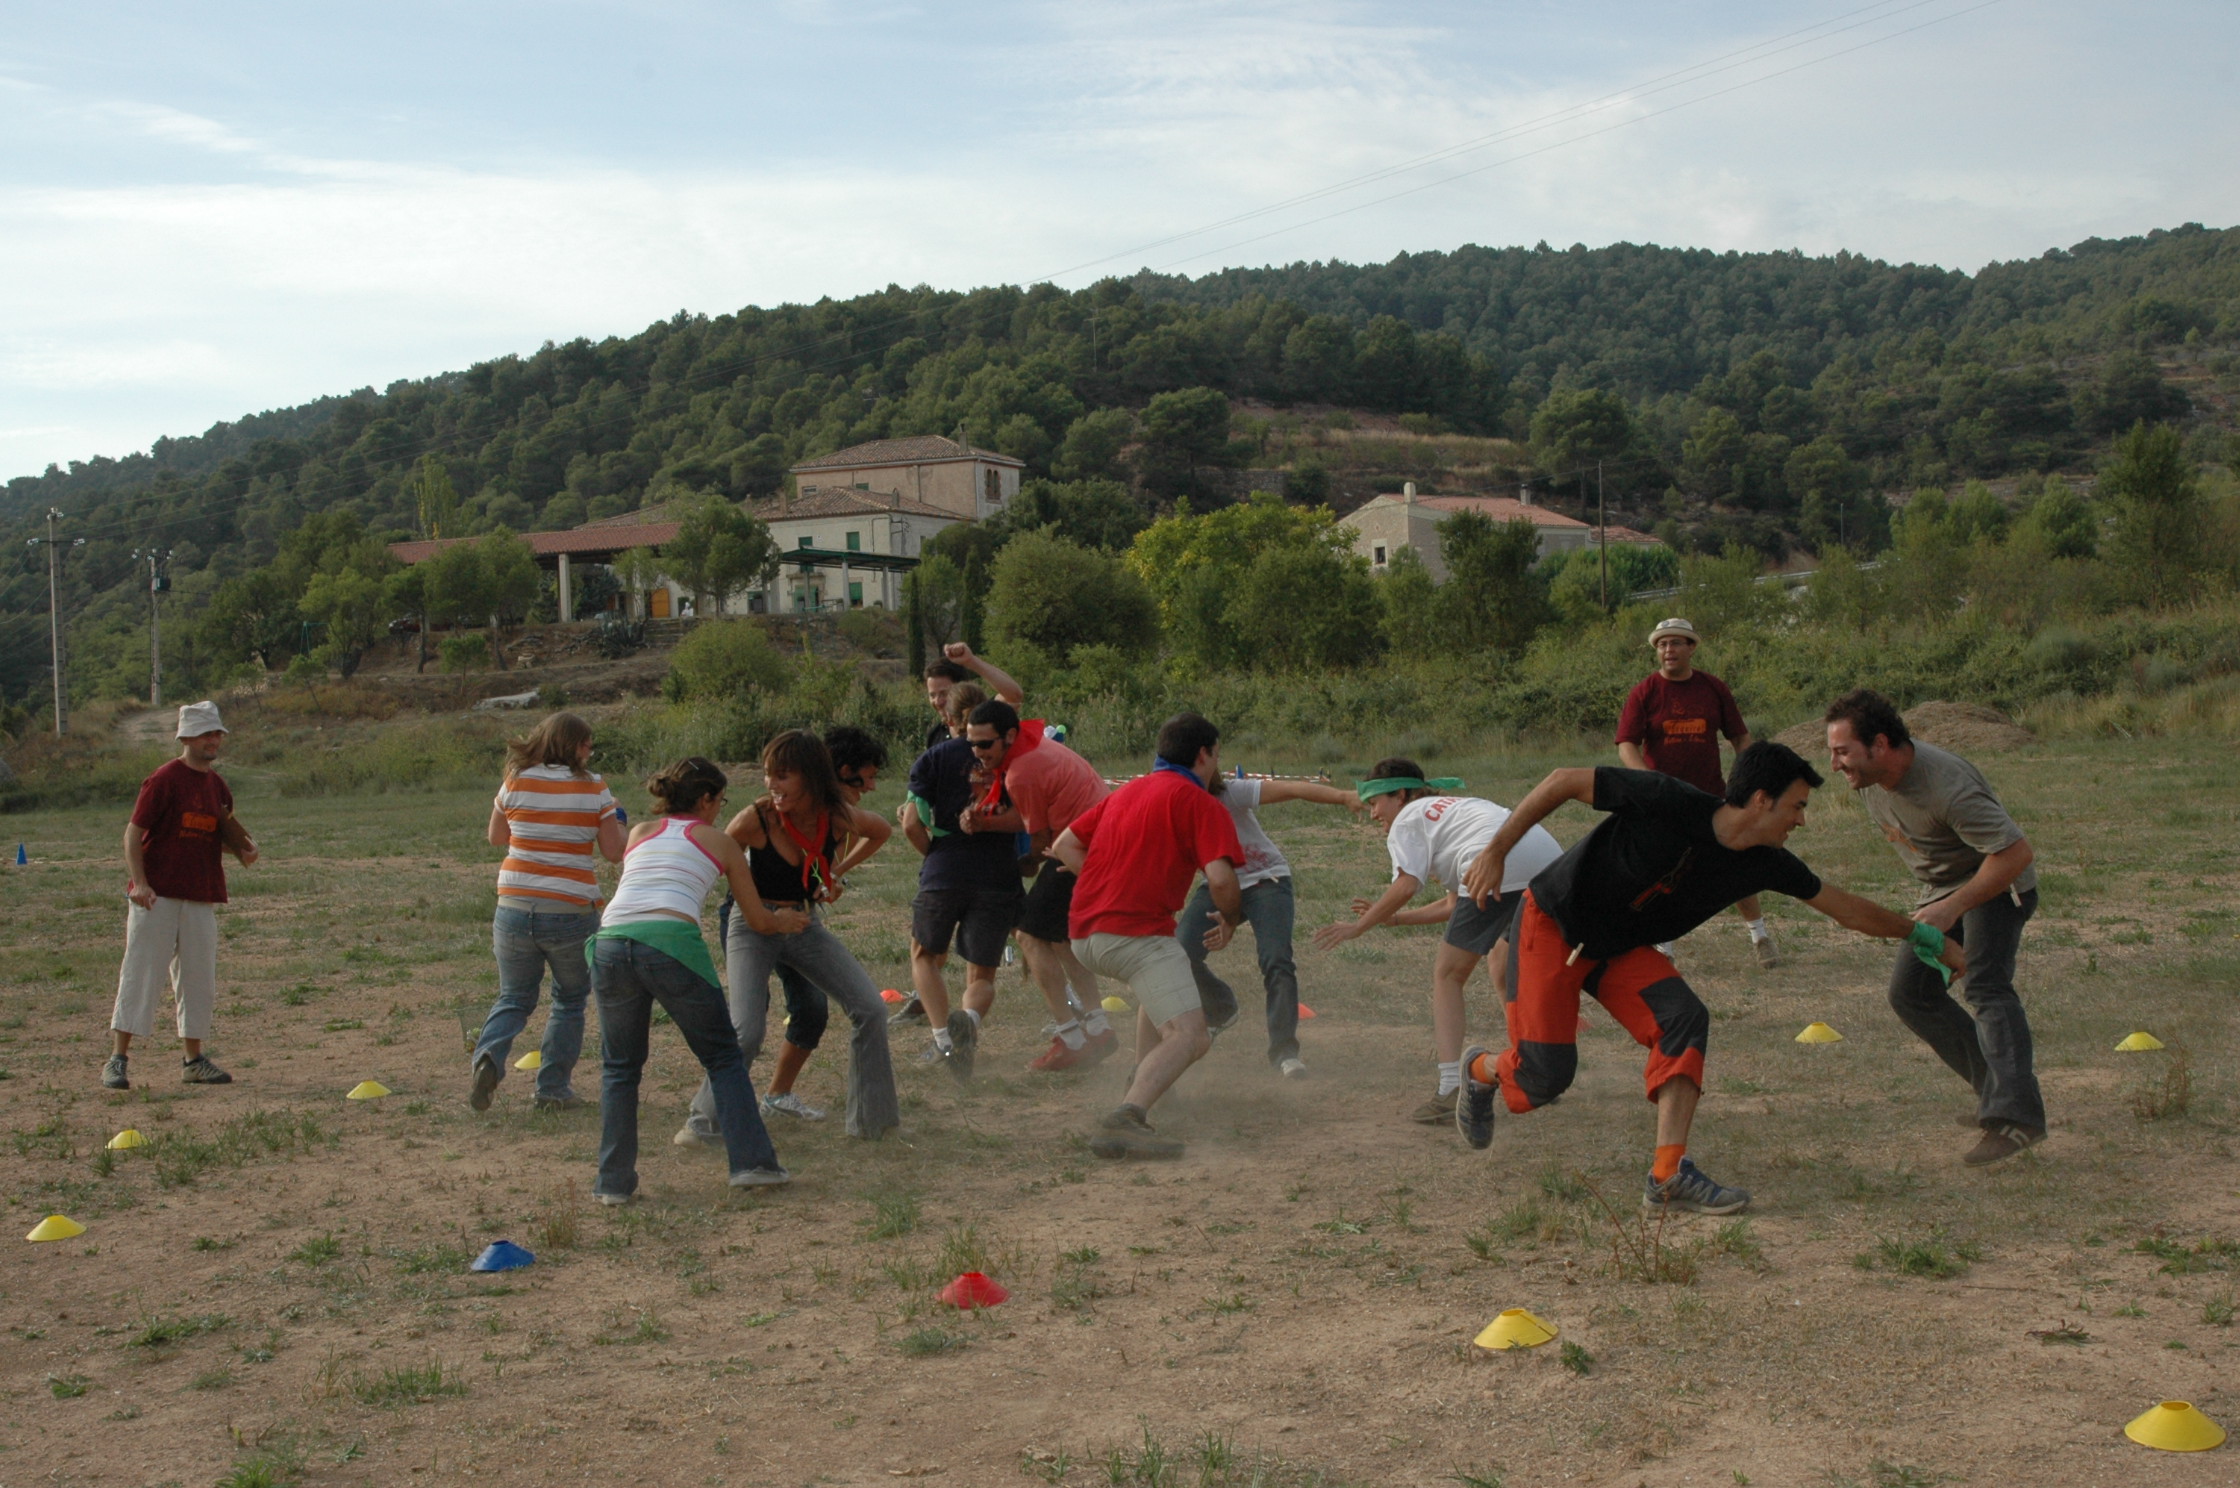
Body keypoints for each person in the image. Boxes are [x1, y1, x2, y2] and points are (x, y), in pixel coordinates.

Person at [1453, 743, 1965, 1214]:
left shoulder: (1766, 864)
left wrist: (1923, 937)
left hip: (1618, 948)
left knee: (1683, 1018)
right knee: (1544, 1078)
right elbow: (1563, 779)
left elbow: (1846, 910)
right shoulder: (1664, 798)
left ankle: (1668, 1174)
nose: (1802, 821)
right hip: (1555, 924)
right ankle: (1480, 1069)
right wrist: (1496, 851)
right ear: (1762, 800)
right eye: (1798, 806)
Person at [1823, 690, 2045, 1166]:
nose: (1835, 763)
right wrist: (1939, 912)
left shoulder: (1948, 785)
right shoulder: (1871, 781)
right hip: (1945, 892)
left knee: (1987, 986)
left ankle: (2015, 1118)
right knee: (1911, 994)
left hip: (1997, 884)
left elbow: (2014, 854)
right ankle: (1997, 1094)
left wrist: (1951, 912)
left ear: (1879, 744)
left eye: (1842, 751)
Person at [588, 758, 808, 1202]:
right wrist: (783, 921)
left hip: (610, 942)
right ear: (706, 799)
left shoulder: (640, 833)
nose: (720, 810)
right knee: (723, 1058)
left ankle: (613, 1183)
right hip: (668, 943)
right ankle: (752, 1164)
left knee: (619, 1068)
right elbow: (756, 921)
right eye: (720, 801)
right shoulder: (722, 843)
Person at [677, 730, 901, 1144]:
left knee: (871, 1008)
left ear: (812, 778)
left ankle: (873, 1122)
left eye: (782, 776)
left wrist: (835, 873)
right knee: (747, 1030)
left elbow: (882, 830)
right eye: (768, 775)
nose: (771, 786)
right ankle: (701, 1123)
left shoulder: (836, 815)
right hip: (753, 923)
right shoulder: (756, 819)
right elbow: (714, 861)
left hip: (801, 923)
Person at [1312, 760, 1564, 1117]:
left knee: (1448, 975)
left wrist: (1359, 927)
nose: (1372, 815)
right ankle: (1536, 1070)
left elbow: (1406, 884)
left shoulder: (1407, 819)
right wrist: (1395, 920)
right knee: (1501, 965)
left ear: (1400, 795)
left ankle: (1450, 1089)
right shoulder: (1450, 814)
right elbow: (1452, 904)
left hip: (1496, 866)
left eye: (1375, 803)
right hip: (1549, 861)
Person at [1052, 712, 1246, 1160]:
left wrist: (1109, 880)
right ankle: (1127, 1117)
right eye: (1217, 755)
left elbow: (1065, 843)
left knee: (1157, 993)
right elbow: (1220, 880)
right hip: (1135, 935)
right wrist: (1230, 918)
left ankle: (1143, 1078)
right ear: (1205, 754)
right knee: (1190, 1035)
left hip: (1084, 934)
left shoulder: (1128, 792)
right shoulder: (1199, 803)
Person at [469, 712, 626, 1113]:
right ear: (572, 745)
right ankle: (552, 1089)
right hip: (571, 908)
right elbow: (613, 852)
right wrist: (617, 818)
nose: (590, 752)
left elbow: (496, 836)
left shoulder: (516, 780)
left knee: (514, 996)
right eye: (587, 745)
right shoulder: (594, 789)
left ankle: (488, 1056)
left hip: (515, 906)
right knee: (570, 999)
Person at [957, 699, 1120, 1072]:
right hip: (1092, 838)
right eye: (972, 744)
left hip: (1081, 846)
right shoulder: (1031, 747)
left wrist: (1024, 860)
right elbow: (1035, 817)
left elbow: (1037, 833)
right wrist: (987, 821)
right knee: (1058, 938)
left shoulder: (1022, 771)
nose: (977, 753)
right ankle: (1097, 1027)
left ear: (1009, 736)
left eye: (985, 745)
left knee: (1029, 936)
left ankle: (1072, 1038)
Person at [104, 700, 257, 1090]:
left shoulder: (217, 785)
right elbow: (133, 835)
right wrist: (140, 884)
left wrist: (242, 850)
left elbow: (211, 833)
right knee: (141, 973)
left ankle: (193, 1060)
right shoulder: (164, 779)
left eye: (217, 733)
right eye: (206, 733)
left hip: (200, 893)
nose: (214, 740)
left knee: (197, 978)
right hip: (157, 895)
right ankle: (118, 1059)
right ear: (186, 736)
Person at [1615, 618, 1778, 968]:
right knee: (1665, 873)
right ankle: (1664, 950)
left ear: (1691, 648)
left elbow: (1740, 738)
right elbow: (1627, 743)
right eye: (1662, 645)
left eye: (1676, 643)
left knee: (1734, 865)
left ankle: (1760, 937)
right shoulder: (1645, 692)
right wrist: (1646, 782)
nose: (1668, 650)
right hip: (1665, 801)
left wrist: (1752, 778)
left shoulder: (1713, 688)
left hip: (1712, 796)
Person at [1186, 768, 1362, 1080]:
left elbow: (1293, 788)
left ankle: (1285, 1052)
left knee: (1276, 959)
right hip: (1217, 885)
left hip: (1267, 879)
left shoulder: (1231, 792)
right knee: (1179, 951)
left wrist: (1343, 796)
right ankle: (1221, 1006)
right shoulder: (1173, 805)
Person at [902, 704, 1026, 1079]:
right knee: (983, 976)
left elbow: (910, 823)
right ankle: (968, 1020)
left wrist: (935, 856)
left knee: (923, 955)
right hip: (999, 875)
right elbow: (1032, 815)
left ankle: (943, 1040)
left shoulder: (936, 756)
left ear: (955, 719)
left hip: (945, 872)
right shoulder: (1016, 755)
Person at [921, 642, 1023, 752]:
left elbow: (1015, 695)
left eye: (943, 693)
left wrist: (971, 661)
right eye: (932, 695)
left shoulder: (988, 716)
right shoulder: (935, 735)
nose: (937, 701)